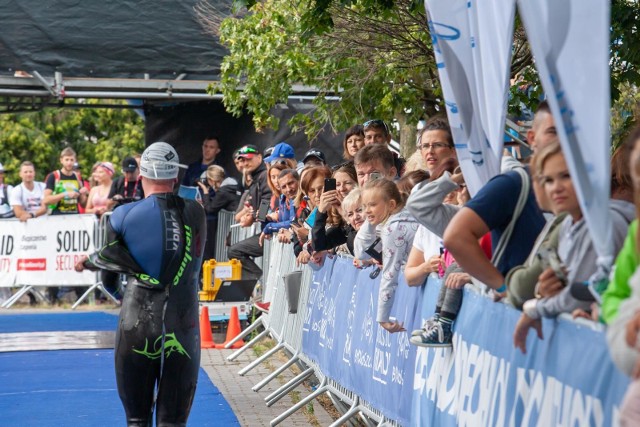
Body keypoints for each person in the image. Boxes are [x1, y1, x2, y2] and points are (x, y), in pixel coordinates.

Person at [74, 142, 206, 426]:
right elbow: (191, 264)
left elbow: (108, 275)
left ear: (142, 175)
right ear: (175, 177)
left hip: (137, 320)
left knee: (137, 419)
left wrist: (123, 295)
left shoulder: (123, 215)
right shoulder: (196, 213)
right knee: (173, 422)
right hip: (183, 326)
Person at [513, 140, 634, 354]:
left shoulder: (605, 225)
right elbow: (571, 291)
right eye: (548, 180)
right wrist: (543, 293)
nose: (556, 187)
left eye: (566, 176)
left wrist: (534, 308)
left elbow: (577, 297)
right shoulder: (568, 223)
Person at [355, 178, 418, 333]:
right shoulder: (401, 217)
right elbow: (361, 253)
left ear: (391, 204)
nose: (367, 211)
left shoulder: (394, 228)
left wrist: (383, 317)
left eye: (373, 204)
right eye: (364, 206)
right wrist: (370, 220)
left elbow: (390, 274)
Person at [228, 145, 272, 279]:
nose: (245, 163)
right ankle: (257, 285)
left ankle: (258, 283)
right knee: (234, 251)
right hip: (267, 230)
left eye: (248, 159)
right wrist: (251, 215)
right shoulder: (256, 178)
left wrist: (252, 217)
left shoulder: (264, 175)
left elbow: (267, 200)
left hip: (272, 231)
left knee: (235, 251)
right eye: (242, 160)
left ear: (259, 157)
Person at [197, 165, 241, 262]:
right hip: (238, 223)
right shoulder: (233, 184)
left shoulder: (224, 191)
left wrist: (205, 192)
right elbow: (219, 203)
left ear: (212, 180)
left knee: (230, 249)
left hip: (236, 224)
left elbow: (210, 209)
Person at [43, 147, 89, 215]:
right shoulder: (54, 176)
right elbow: (46, 200)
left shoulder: (77, 177)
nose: (69, 163)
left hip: (74, 217)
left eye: (71, 160)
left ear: (75, 161)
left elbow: (83, 204)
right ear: (61, 160)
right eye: (66, 160)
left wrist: (85, 194)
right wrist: (65, 194)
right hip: (57, 217)